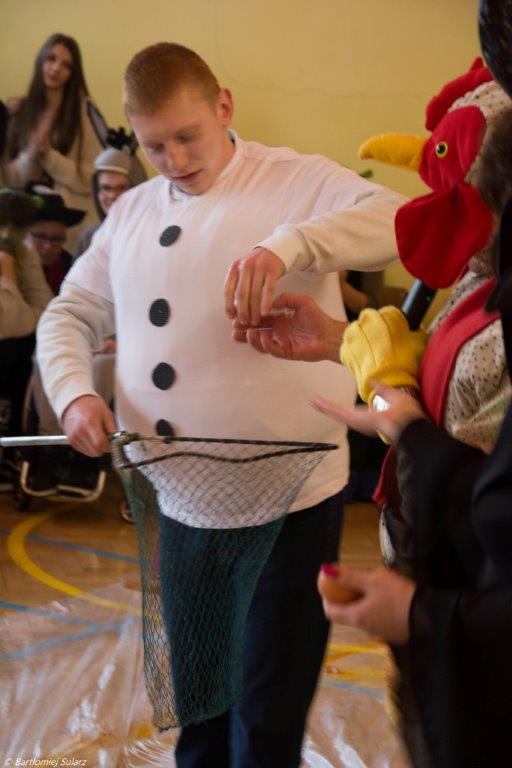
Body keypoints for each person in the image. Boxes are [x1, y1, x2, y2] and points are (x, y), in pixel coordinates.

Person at [36, 42, 405, 767]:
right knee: (200, 707)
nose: (173, 159)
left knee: (268, 712)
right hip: (181, 506)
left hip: (293, 504)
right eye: (154, 146)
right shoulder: (131, 212)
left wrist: (291, 246)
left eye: (187, 136)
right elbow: (70, 311)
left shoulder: (295, 179)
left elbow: (398, 220)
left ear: (225, 107)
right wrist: (74, 393)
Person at [2, 33, 105, 253]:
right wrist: (30, 156)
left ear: (73, 73)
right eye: (51, 59)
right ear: (40, 60)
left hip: (65, 232)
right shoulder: (18, 110)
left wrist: (50, 156)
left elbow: (94, 176)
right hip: (24, 228)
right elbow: (9, 179)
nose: (56, 68)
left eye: (66, 65)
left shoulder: (83, 112)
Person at [75, 131, 147, 257]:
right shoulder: (88, 238)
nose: (112, 196)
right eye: (106, 188)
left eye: (122, 188)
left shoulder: (150, 235)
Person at [25, 188, 85, 294]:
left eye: (56, 239)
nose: (48, 246)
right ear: (25, 234)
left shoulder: (70, 268)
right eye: (40, 237)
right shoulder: (10, 265)